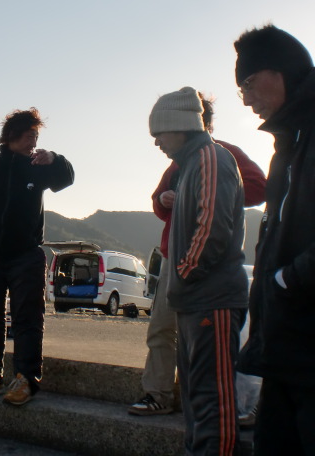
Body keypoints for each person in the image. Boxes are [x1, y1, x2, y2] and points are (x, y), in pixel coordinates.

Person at [129, 95, 266, 417]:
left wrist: (213, 192)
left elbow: (260, 187)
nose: (158, 142)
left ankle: (211, 411)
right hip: (173, 258)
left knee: (204, 342)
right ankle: (158, 394)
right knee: (161, 329)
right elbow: (157, 203)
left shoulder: (222, 155)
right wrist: (164, 199)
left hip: (204, 266)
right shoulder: (178, 163)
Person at [147, 87, 249, 454]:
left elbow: (212, 229)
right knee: (195, 399)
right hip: (194, 299)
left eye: (159, 132)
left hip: (211, 298)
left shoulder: (211, 158)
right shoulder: (190, 164)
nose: (156, 141)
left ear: (180, 125)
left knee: (211, 401)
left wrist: (184, 273)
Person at [234, 24, 315, 455]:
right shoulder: (288, 142)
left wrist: (288, 280)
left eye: (248, 83)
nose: (246, 99)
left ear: (278, 72)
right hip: (285, 348)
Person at [0, 107, 74, 406]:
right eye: (29, 136)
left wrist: (54, 158)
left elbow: (66, 178)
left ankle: (26, 379)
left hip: (26, 254)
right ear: (11, 136)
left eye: (36, 136)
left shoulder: (37, 165)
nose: (33, 142)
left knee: (27, 318)